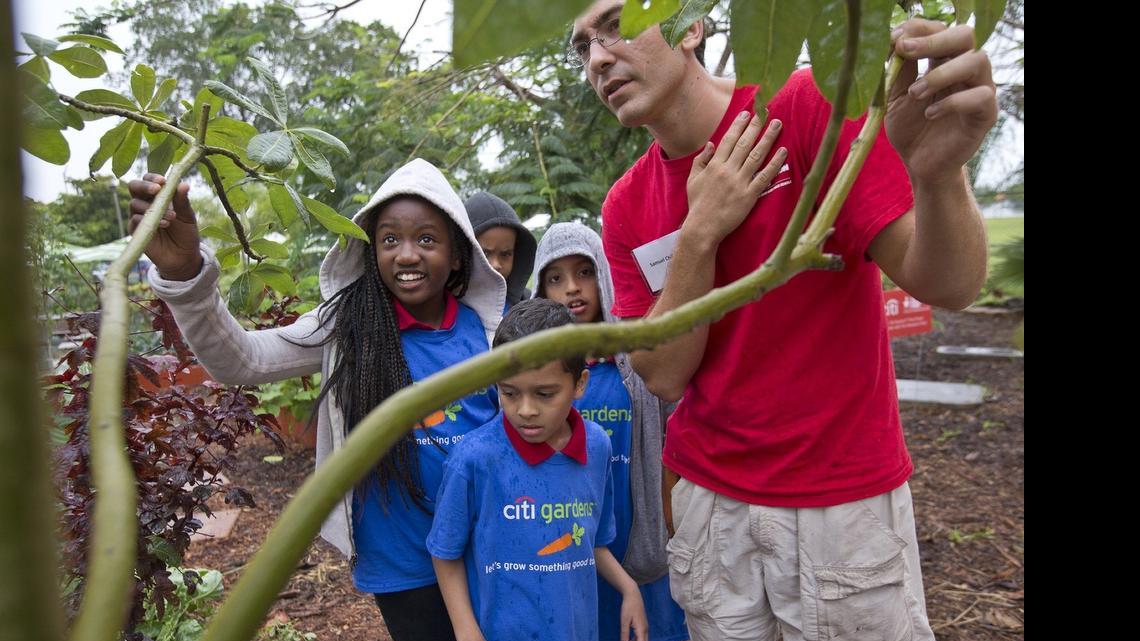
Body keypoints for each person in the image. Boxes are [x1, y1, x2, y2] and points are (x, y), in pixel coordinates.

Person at [569, 2, 998, 640]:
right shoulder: (628, 203)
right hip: (712, 506)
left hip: (841, 505)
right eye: (582, 47)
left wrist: (937, 175)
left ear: (691, 26)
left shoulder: (804, 110)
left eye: (615, 26)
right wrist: (700, 234)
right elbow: (661, 376)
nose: (599, 58)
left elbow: (950, 285)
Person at [128, 159, 507, 641]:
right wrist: (184, 273)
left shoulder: (492, 332)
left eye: (427, 239)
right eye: (390, 239)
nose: (407, 254)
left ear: (458, 255)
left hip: (486, 542)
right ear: (370, 251)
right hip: (402, 559)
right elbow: (241, 360)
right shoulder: (347, 326)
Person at [427, 299, 648, 641]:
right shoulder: (473, 458)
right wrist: (465, 628)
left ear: (580, 384)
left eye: (545, 394)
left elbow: (593, 543)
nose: (525, 410)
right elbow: (444, 551)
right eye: (510, 392)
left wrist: (628, 587)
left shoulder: (597, 446)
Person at [532, 221, 688, 641]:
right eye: (555, 277)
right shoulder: (533, 376)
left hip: (642, 536)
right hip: (571, 543)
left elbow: (675, 438)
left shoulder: (639, 357)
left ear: (603, 273)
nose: (572, 289)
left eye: (584, 272)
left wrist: (673, 528)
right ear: (540, 290)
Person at [464, 191, 537, 309]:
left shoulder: (530, 307)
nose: (496, 265)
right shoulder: (443, 311)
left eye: (506, 254)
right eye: (485, 253)